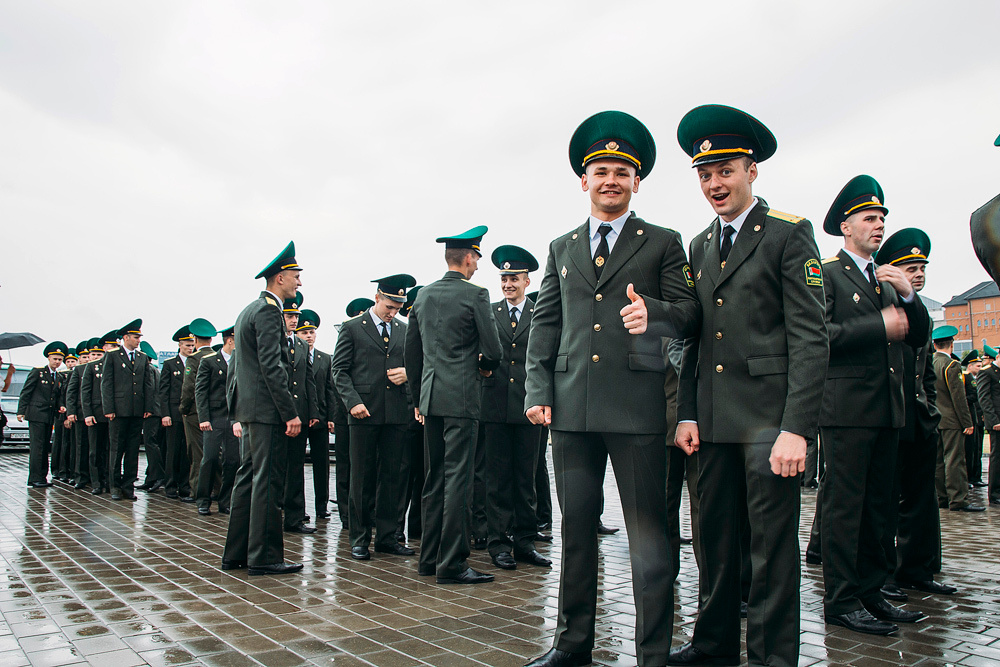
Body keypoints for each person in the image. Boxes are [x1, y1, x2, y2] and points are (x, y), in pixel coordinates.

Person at [524, 110, 700, 667]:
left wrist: (656, 314)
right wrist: (537, 389)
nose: (611, 180)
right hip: (571, 409)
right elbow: (545, 323)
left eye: (622, 172)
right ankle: (571, 645)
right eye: (600, 171)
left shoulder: (663, 242)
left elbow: (690, 313)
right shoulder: (562, 247)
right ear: (584, 180)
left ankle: (653, 654)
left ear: (636, 182)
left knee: (649, 538)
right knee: (576, 532)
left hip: (637, 409)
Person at [670, 105, 827, 667]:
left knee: (771, 551)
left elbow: (810, 337)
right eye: (705, 174)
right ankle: (713, 646)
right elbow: (694, 338)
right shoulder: (699, 245)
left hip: (768, 425)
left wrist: (796, 428)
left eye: (726, 171)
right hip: (712, 422)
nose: (715, 183)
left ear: (751, 170)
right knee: (713, 541)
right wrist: (687, 412)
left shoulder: (788, 233)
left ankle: (770, 656)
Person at [817, 176, 930, 637]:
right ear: (846, 227)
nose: (879, 225)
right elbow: (818, 336)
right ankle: (841, 600)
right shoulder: (826, 273)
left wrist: (908, 294)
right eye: (869, 218)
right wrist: (877, 325)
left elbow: (916, 335)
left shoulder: (884, 277)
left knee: (878, 509)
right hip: (846, 410)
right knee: (845, 510)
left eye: (882, 218)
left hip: (886, 409)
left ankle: (871, 591)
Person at [404, 226, 503, 584]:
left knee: (435, 480)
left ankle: (429, 559)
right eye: (476, 258)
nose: (477, 264)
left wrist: (419, 398)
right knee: (459, 480)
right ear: (468, 258)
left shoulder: (423, 296)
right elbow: (493, 350)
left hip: (431, 398)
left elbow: (412, 353)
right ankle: (452, 564)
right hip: (461, 398)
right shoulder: (476, 294)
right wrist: (485, 366)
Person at [874, 228, 957, 597]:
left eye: (922, 267)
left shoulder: (919, 310)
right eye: (910, 268)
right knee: (886, 501)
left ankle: (917, 569)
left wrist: (931, 410)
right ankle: (884, 575)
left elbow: (926, 373)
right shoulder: (881, 305)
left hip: (920, 417)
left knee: (921, 501)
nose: (918, 274)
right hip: (889, 416)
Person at [222, 241, 304, 576]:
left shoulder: (249, 310)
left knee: (248, 479)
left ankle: (237, 553)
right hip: (267, 411)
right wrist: (289, 412)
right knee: (268, 482)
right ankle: (265, 557)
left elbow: (240, 367)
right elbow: (272, 367)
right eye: (296, 276)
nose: (299, 283)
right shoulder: (269, 311)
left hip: (251, 409)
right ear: (280, 278)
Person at [333, 274, 416, 559]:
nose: (393, 313)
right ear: (377, 297)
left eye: (397, 308)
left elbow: (416, 365)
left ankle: (387, 537)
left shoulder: (404, 330)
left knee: (392, 478)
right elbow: (339, 371)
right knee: (362, 478)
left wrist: (408, 374)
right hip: (363, 413)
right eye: (389, 307)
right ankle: (359, 538)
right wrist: (352, 402)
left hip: (396, 414)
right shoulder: (352, 328)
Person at [480, 245, 549, 571]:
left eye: (514, 279)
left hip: (528, 408)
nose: (508, 284)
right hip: (494, 407)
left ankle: (524, 543)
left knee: (526, 480)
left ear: (526, 281)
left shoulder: (540, 313)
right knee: (497, 481)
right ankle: (498, 544)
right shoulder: (489, 312)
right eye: (504, 279)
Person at [101, 319, 156, 501]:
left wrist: (147, 407)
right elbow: (106, 383)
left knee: (133, 450)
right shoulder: (113, 356)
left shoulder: (141, 358)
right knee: (117, 449)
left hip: (137, 410)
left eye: (139, 337)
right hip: (118, 410)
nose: (138, 340)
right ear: (126, 337)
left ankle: (128, 486)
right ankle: (115, 486)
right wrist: (109, 408)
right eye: (135, 337)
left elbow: (147, 384)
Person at [932, 327, 984, 512]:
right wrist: (967, 422)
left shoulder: (930, 363)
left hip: (935, 419)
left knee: (938, 461)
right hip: (952, 420)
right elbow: (958, 397)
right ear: (951, 344)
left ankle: (942, 498)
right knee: (955, 460)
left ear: (935, 345)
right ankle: (958, 499)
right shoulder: (951, 365)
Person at [280, 292, 320, 534]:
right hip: (279, 415)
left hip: (301, 414)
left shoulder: (302, 345)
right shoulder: (273, 341)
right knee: (276, 468)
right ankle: (273, 514)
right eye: (289, 316)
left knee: (296, 468)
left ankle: (294, 518)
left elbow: (308, 381)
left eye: (296, 316)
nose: (294, 320)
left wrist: (313, 411)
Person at [332, 298, 373, 526]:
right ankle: (347, 513)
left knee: (368, 466)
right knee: (346, 466)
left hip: (369, 411)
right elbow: (338, 374)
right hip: (345, 412)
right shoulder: (348, 335)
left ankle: (368, 512)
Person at [295, 309, 335, 522]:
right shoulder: (293, 357)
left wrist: (330, 417)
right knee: (296, 465)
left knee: (322, 464)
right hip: (299, 419)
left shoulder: (325, 358)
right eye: (304, 333)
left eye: (311, 332)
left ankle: (322, 506)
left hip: (320, 418)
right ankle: (298, 508)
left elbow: (330, 390)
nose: (309, 336)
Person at [195, 327, 239, 516]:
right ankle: (203, 500)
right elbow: (201, 391)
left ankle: (225, 501)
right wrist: (204, 418)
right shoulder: (209, 361)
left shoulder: (240, 361)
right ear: (230, 340)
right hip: (214, 417)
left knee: (232, 460)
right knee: (210, 458)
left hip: (233, 418)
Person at [17, 341, 67, 488]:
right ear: (48, 358)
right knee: (37, 447)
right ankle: (35, 478)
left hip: (49, 415)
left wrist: (61, 406)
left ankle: (41, 477)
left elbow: (57, 396)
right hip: (36, 414)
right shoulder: (38, 372)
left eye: (60, 360)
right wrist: (21, 411)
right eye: (55, 359)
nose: (57, 362)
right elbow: (26, 392)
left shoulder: (59, 377)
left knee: (45, 446)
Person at [180, 318, 217, 504]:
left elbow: (189, 388)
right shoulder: (217, 357)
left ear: (194, 339)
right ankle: (218, 489)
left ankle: (197, 490)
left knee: (197, 453)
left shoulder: (193, 359)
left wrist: (184, 409)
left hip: (195, 413)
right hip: (216, 412)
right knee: (216, 452)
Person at [160, 326, 195, 499]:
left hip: (190, 414)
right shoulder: (170, 364)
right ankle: (170, 485)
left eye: (192, 345)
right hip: (174, 413)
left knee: (187, 452)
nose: (190, 348)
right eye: (187, 345)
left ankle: (185, 485)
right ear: (180, 345)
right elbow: (163, 391)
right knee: (173, 451)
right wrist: (165, 414)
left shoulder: (195, 362)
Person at [82, 334, 117, 495]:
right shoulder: (92, 366)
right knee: (95, 450)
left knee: (112, 450)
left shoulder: (119, 365)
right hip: (96, 414)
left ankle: (110, 481)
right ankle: (97, 482)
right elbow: (86, 392)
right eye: (111, 347)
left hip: (114, 415)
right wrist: (87, 414)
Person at [65, 339, 95, 490]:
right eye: (91, 355)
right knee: (81, 446)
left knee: (96, 448)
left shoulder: (103, 368)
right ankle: (80, 476)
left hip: (97, 413)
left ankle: (95, 476)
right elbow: (71, 393)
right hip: (81, 413)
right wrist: (71, 411)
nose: (92, 358)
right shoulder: (79, 370)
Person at [138, 340, 166, 492]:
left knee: (151, 443)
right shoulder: (153, 369)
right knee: (151, 443)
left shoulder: (148, 369)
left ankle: (158, 476)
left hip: (152, 412)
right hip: (155, 411)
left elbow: (150, 390)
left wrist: (147, 409)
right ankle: (150, 478)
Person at [977, 343, 1000, 505]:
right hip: (997, 421)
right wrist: (993, 421)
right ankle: (995, 493)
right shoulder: (987, 372)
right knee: (997, 457)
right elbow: (984, 398)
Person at [53, 347, 78, 484]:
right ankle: (60, 470)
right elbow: (63, 395)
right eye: (68, 361)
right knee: (62, 443)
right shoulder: (61, 375)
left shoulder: (78, 372)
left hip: (75, 413)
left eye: (73, 361)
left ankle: (70, 471)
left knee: (72, 444)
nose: (70, 364)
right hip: (63, 413)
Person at [961, 350, 986, 486]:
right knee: (969, 449)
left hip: (974, 416)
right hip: (969, 416)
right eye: (978, 366)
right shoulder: (967, 377)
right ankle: (970, 477)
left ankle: (974, 477)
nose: (980, 368)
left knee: (976, 449)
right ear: (969, 366)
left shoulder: (972, 378)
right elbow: (973, 396)